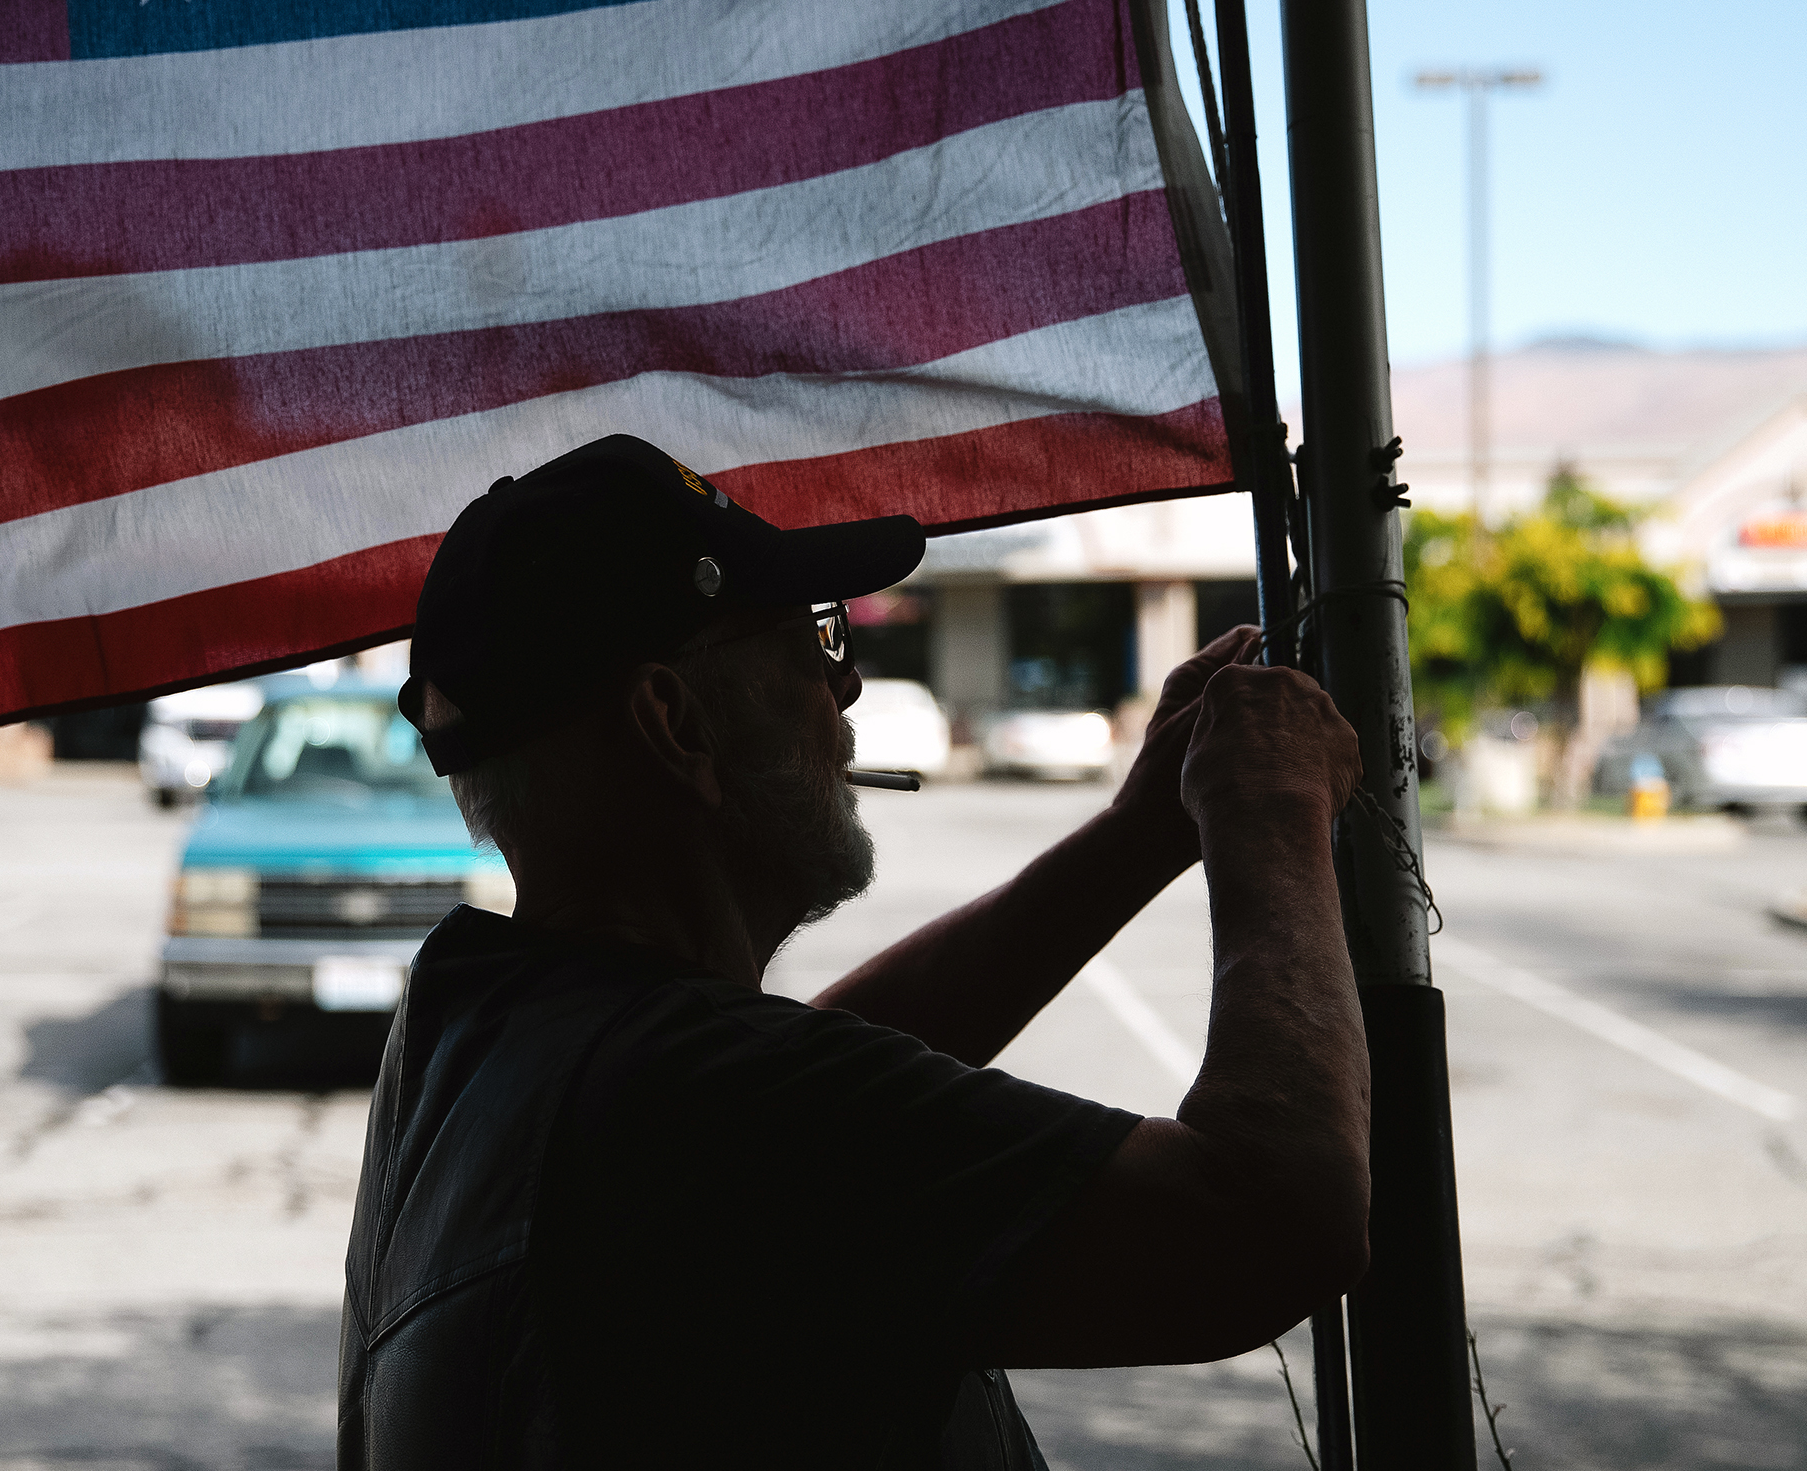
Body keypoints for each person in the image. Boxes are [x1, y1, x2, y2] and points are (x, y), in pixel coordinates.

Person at [339, 435, 1367, 1470]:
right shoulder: (704, 1104)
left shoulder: (479, 1039)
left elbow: (810, 1076)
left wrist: (1137, 835)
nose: (847, 690)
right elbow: (1269, 1216)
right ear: (673, 721)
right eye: (811, 639)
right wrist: (1267, 808)